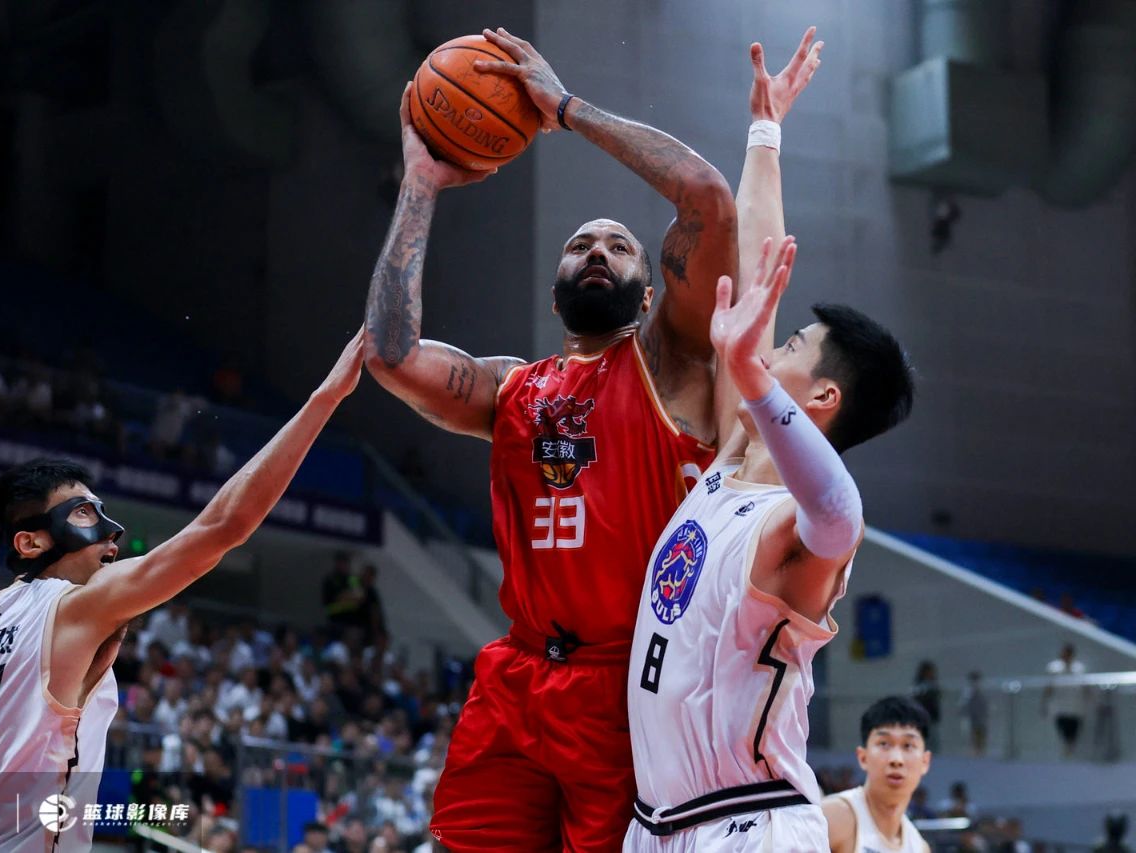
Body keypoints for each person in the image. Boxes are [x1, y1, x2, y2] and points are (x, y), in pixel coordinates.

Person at [363, 22, 803, 848]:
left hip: (629, 685)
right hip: (517, 676)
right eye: (578, 245)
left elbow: (706, 201)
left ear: (652, 294)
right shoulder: (510, 389)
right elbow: (389, 355)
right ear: (556, 293)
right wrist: (420, 182)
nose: (597, 249)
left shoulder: (671, 365)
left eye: (619, 245)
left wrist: (564, 110)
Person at [0, 330, 364, 850]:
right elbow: (222, 527)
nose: (111, 531)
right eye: (83, 513)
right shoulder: (72, 607)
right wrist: (325, 398)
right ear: (30, 542)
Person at [624, 76, 914, 844]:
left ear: (821, 396)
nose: (764, 342)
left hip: (750, 823)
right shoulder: (734, 455)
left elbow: (839, 513)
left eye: (785, 345)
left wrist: (749, 377)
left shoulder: (802, 527)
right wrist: (764, 132)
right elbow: (756, 269)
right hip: (654, 824)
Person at [823, 697, 933, 853]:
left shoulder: (919, 847)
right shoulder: (833, 816)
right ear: (863, 757)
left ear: (925, 762)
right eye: (884, 744)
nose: (896, 759)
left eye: (908, 745)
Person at [1044, 642, 1087, 757]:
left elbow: (1085, 686)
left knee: (1073, 728)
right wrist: (1045, 702)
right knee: (1061, 726)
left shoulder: (1079, 668)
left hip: (1075, 705)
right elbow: (1049, 686)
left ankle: (1071, 749)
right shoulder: (1054, 668)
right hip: (1059, 704)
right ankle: (1065, 748)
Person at [958, 670, 989, 756]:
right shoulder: (968, 691)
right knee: (973, 733)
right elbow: (964, 703)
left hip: (980, 716)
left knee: (980, 733)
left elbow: (984, 704)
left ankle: (980, 750)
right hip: (972, 716)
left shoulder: (981, 690)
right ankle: (975, 751)